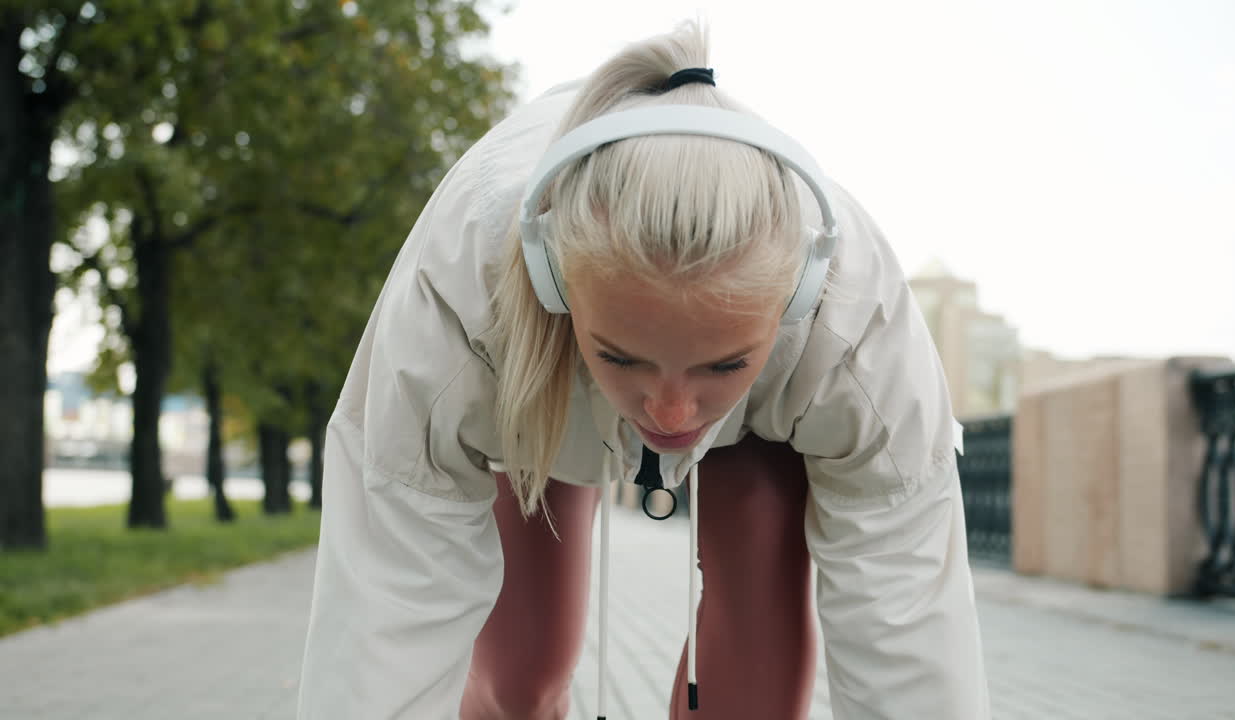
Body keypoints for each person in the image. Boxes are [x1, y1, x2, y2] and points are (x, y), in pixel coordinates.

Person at [297, 21, 990, 720]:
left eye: (724, 362)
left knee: (757, 646)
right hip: (539, 380)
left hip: (764, 420)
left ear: (798, 300)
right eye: (622, 354)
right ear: (552, 282)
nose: (671, 412)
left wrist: (672, 371)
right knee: (521, 672)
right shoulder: (461, 304)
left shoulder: (853, 328)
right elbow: (385, 615)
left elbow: (908, 623)